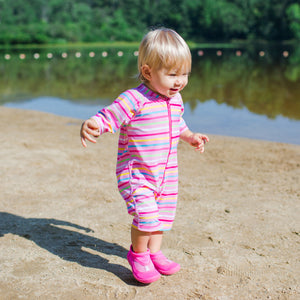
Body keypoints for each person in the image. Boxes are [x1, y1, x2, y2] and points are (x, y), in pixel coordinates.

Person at [80, 28, 209, 284]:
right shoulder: (134, 99)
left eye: (185, 74)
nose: (180, 81)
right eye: (172, 74)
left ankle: (155, 252)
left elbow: (178, 122)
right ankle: (138, 255)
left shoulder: (176, 99)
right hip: (137, 174)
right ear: (148, 72)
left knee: (162, 216)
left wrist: (190, 136)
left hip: (166, 173)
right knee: (146, 216)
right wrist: (93, 123)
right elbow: (110, 116)